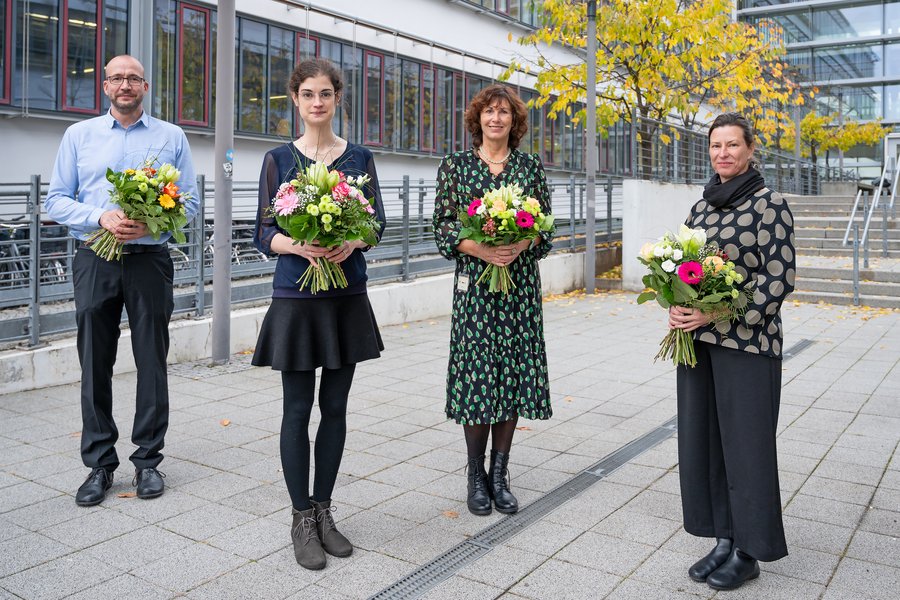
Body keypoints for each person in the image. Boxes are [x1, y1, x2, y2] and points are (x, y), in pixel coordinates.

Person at [46, 55, 199, 507]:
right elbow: (56, 199)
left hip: (149, 259)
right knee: (95, 360)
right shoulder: (79, 136)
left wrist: (150, 226)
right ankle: (99, 464)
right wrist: (100, 216)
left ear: (145, 86)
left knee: (152, 357)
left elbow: (188, 203)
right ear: (106, 86)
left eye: (133, 78)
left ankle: (148, 460)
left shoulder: (171, 136)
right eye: (117, 78)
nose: (125, 84)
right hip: (95, 256)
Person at [251, 58, 386, 570]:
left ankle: (325, 510)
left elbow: (376, 225)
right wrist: (297, 244)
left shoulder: (359, 158)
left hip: (346, 295)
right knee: (295, 410)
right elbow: (262, 232)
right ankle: (300, 518)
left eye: (325, 93)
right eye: (308, 94)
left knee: (336, 408)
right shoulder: (278, 159)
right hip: (296, 297)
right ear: (295, 99)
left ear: (337, 98)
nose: (317, 102)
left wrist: (350, 239)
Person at [668, 112, 795, 591]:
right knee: (706, 445)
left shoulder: (769, 205)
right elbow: (682, 267)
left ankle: (749, 550)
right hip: (698, 347)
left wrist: (715, 316)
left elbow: (777, 281)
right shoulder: (700, 208)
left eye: (732, 145)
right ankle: (722, 536)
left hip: (748, 344)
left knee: (746, 449)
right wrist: (678, 307)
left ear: (749, 150)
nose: (723, 153)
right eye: (716, 145)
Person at [432, 84, 554, 517]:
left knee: (512, 377)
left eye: (504, 112)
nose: (496, 119)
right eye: (489, 112)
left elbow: (546, 228)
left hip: (518, 289)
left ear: (514, 122)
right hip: (476, 291)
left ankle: (500, 475)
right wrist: (481, 250)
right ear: (478, 119)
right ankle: (474, 475)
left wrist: (522, 244)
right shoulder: (457, 166)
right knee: (477, 377)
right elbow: (444, 226)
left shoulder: (529, 167)